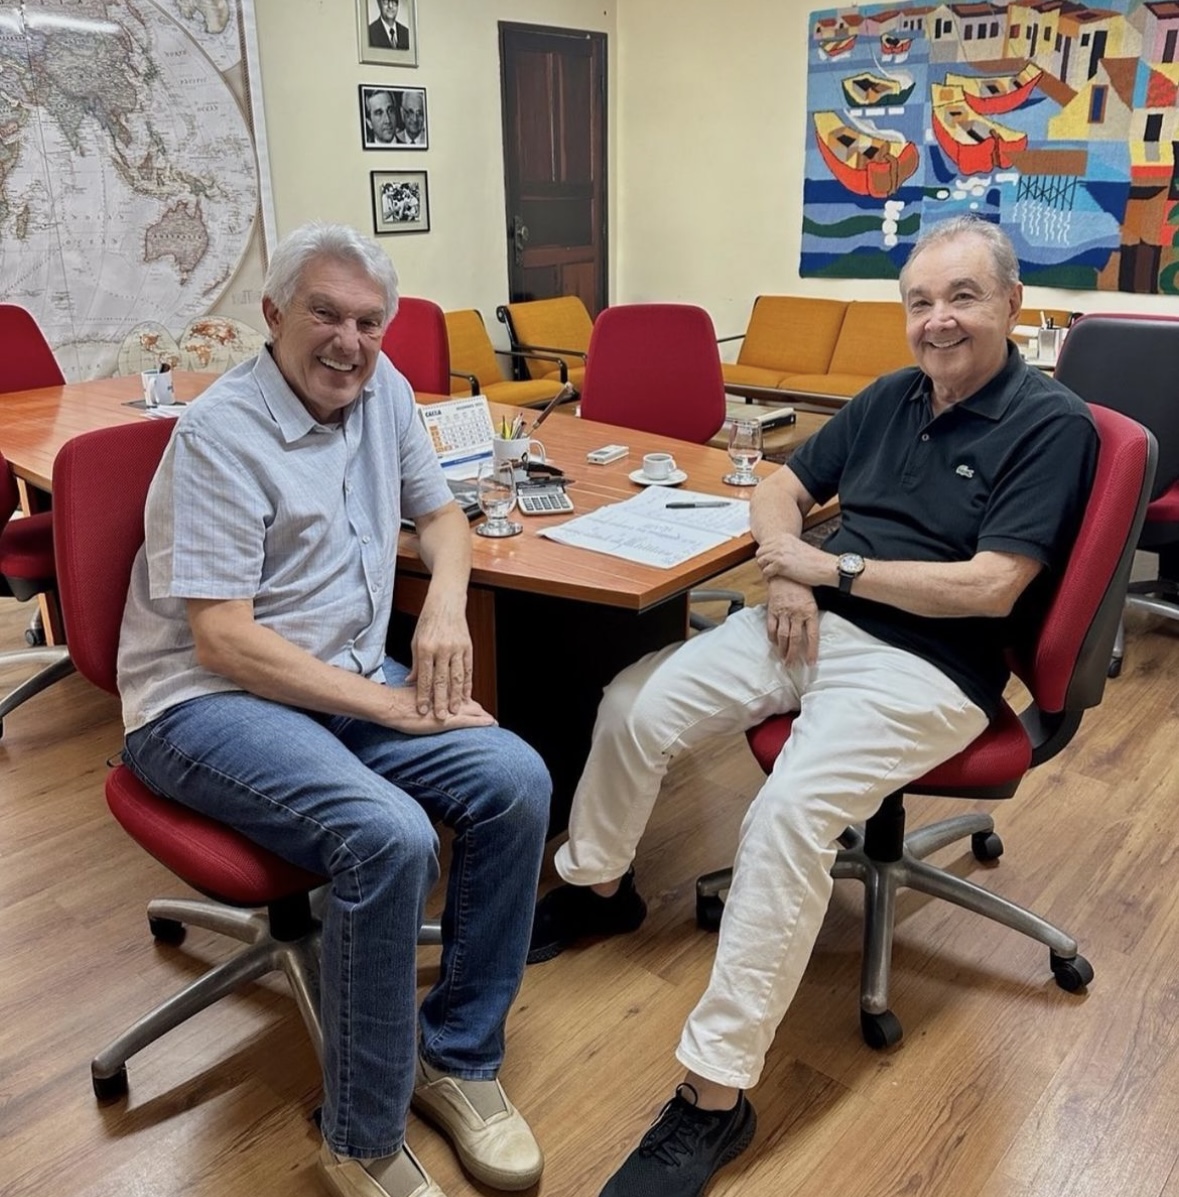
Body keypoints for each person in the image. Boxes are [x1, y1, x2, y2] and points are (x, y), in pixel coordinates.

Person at [526, 215, 1098, 1197]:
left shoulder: (1051, 425)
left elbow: (991, 587)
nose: (937, 320)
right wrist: (789, 575)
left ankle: (715, 1094)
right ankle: (600, 887)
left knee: (787, 814)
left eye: (962, 297)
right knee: (633, 701)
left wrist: (829, 568)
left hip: (927, 665)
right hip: (809, 619)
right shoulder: (888, 397)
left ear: (1011, 304)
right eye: (920, 301)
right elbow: (778, 490)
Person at [118, 222, 551, 1197]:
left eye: (369, 321)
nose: (349, 342)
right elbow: (224, 641)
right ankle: (360, 1138)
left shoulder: (381, 390)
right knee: (388, 836)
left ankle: (457, 1056)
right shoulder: (219, 435)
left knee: (516, 779)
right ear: (273, 315)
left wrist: (444, 607)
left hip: (343, 678)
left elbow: (441, 515)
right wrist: (391, 706)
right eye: (325, 314)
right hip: (203, 703)